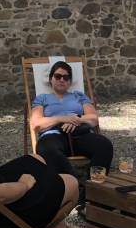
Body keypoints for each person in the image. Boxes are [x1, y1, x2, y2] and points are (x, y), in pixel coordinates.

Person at [30, 61, 113, 203]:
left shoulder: (79, 96)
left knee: (104, 145)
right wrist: (62, 118)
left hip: (80, 134)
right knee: (47, 150)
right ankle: (75, 189)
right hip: (53, 135)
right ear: (51, 79)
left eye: (66, 77)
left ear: (70, 81)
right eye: (58, 76)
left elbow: (93, 119)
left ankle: (92, 192)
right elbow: (36, 124)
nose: (62, 80)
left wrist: (76, 119)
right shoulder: (42, 98)